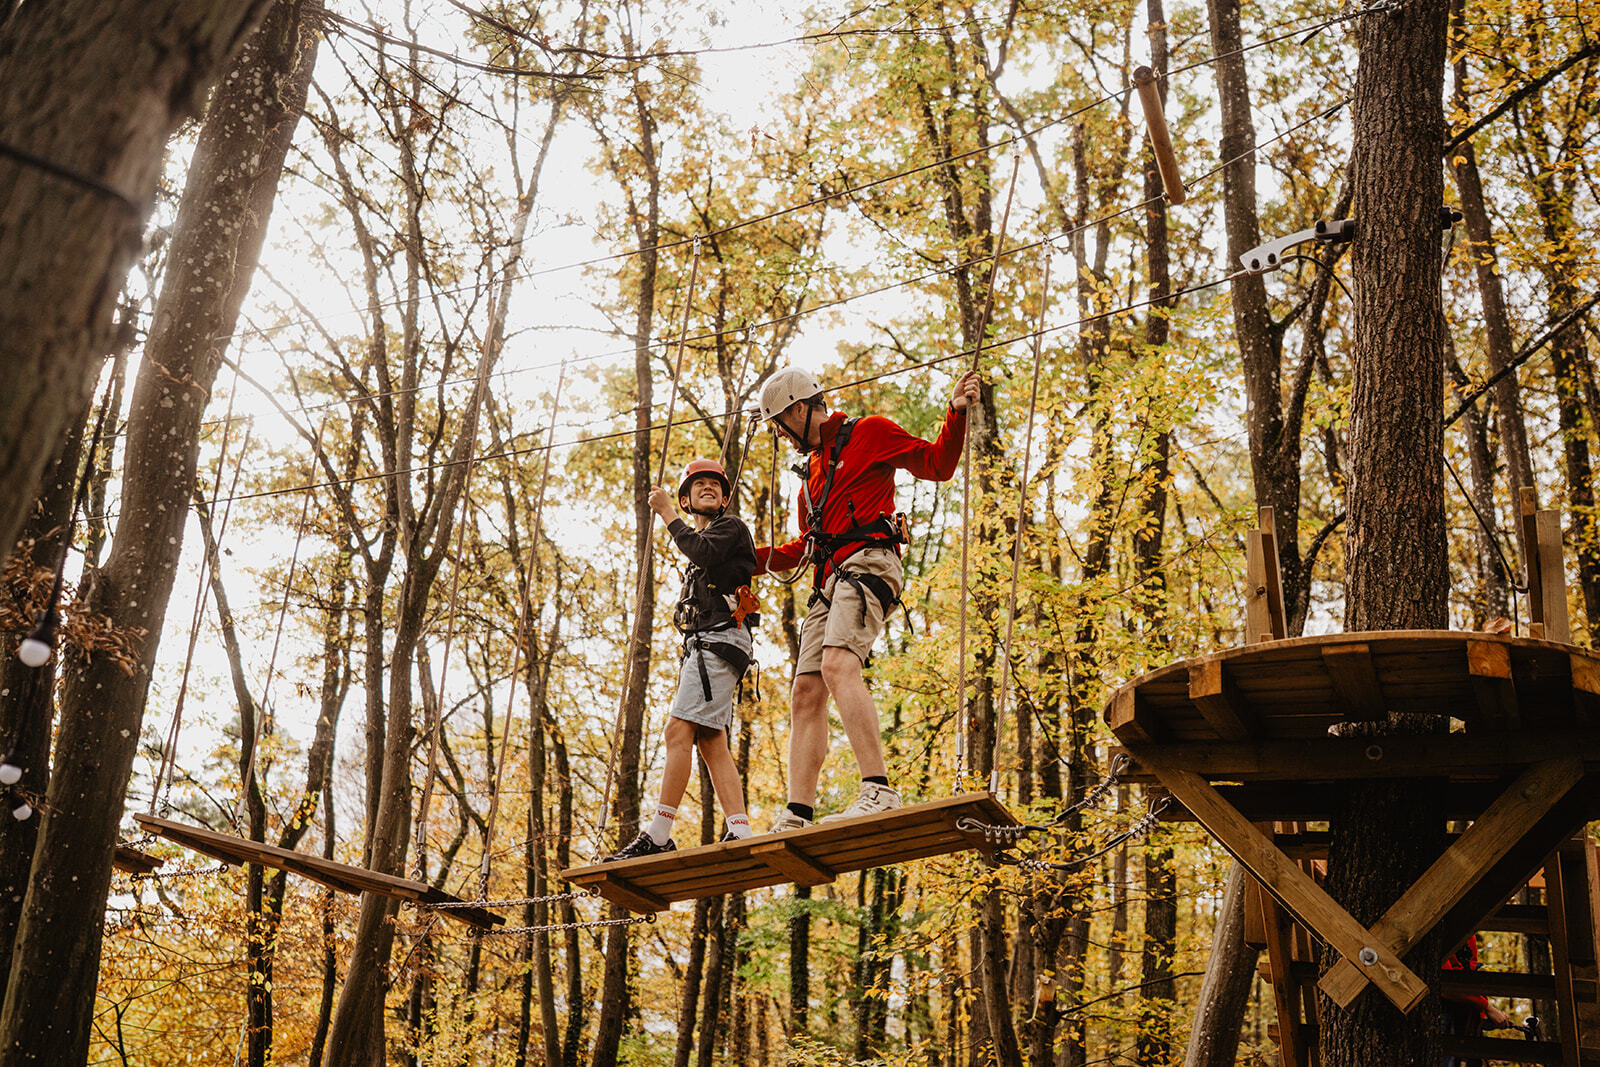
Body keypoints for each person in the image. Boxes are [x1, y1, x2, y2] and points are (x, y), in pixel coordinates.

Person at [755, 365, 981, 830]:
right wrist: (743, 560)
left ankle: (878, 788)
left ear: (799, 409)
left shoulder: (870, 433)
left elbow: (937, 464)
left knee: (839, 664)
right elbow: (805, 548)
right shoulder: (811, 477)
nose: (780, 433)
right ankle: (798, 811)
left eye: (779, 422)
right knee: (806, 689)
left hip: (870, 562)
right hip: (829, 577)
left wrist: (955, 414)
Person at [606, 459, 760, 859]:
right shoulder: (708, 539)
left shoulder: (730, 529)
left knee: (677, 732)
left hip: (719, 641)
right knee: (711, 741)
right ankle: (739, 829)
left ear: (724, 499)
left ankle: (659, 833)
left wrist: (667, 513)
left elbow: (701, 550)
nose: (708, 488)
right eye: (699, 485)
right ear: (689, 498)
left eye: (714, 485)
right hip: (713, 644)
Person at [1442, 935, 1513, 1067]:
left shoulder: (1468, 935)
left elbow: (1469, 969)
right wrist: (1487, 1007)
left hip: (1462, 1014)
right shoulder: (1444, 929)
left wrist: (1482, 1012)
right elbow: (1446, 981)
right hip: (1446, 1011)